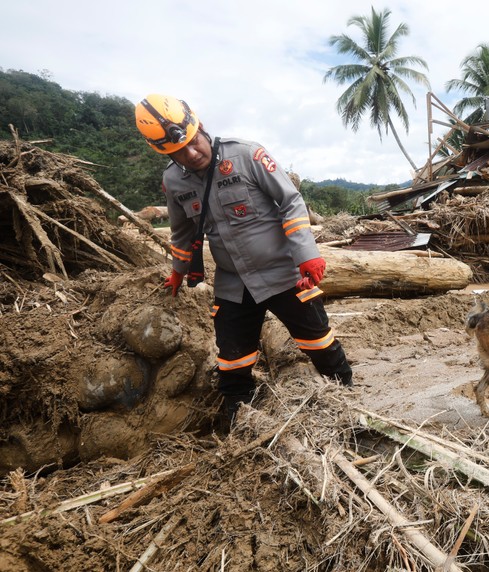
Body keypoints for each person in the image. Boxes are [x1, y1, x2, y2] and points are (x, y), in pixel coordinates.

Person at [134, 94, 352, 432]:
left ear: (200, 127)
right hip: (234, 283)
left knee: (318, 342)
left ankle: (346, 398)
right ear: (163, 152)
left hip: (283, 273)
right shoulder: (175, 181)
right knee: (232, 359)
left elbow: (291, 202)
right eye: (179, 152)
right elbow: (181, 232)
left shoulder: (247, 154)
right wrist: (177, 273)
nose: (191, 155)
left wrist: (307, 254)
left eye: (193, 143)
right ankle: (239, 422)